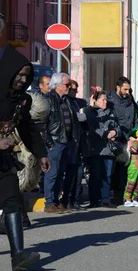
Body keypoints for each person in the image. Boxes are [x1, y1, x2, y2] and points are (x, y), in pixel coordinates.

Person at [0, 43, 50, 271]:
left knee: (12, 200)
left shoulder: (21, 100)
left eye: (26, 75)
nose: (22, 79)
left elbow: (28, 129)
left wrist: (41, 155)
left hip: (4, 160)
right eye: (19, 74)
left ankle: (18, 257)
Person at [83, 90, 123, 208]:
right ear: (96, 101)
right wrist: (105, 134)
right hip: (96, 149)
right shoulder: (91, 112)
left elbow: (118, 128)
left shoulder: (111, 112)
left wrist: (114, 132)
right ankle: (94, 200)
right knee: (95, 176)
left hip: (109, 150)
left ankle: (106, 199)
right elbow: (91, 129)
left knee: (108, 175)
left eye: (106, 100)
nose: (105, 102)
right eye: (102, 100)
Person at [43, 72, 75, 213]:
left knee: (61, 173)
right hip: (55, 142)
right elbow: (42, 125)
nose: (68, 87)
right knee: (52, 173)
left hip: (66, 141)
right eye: (66, 84)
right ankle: (49, 202)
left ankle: (56, 201)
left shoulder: (66, 100)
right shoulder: (48, 100)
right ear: (57, 85)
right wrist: (50, 144)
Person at [60, 80, 87, 210]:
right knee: (70, 174)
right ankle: (66, 200)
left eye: (76, 90)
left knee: (78, 173)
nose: (75, 92)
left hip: (78, 141)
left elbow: (85, 101)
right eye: (73, 89)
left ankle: (74, 200)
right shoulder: (64, 101)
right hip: (70, 141)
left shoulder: (75, 102)